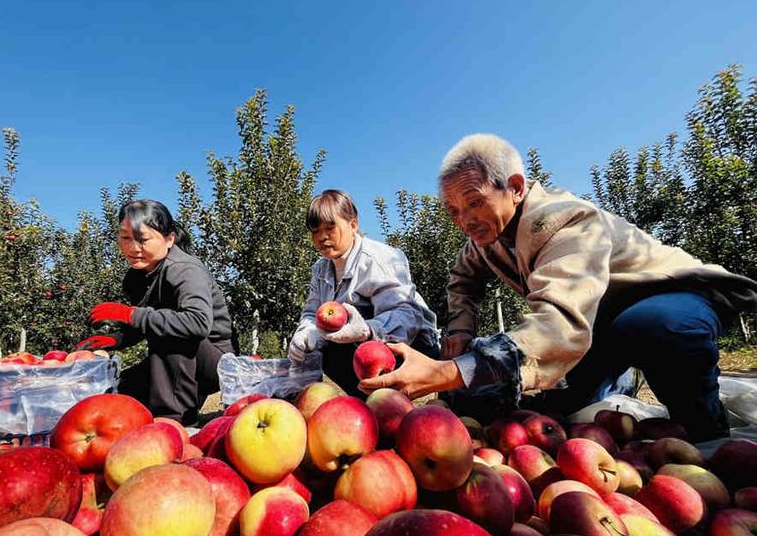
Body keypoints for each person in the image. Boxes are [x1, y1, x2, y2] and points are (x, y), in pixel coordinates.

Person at [359, 133, 757, 442]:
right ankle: (610, 379)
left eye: (474, 202)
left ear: (515, 187)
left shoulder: (567, 221)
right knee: (520, 403)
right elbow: (463, 279)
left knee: (654, 325)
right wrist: (462, 330)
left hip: (669, 299)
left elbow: (560, 324)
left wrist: (450, 370)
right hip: (599, 327)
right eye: (454, 211)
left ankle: (706, 430)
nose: (465, 219)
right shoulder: (486, 240)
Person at [76, 199, 235, 426]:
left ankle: (173, 421)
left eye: (143, 239)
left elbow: (197, 323)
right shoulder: (137, 278)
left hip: (214, 362)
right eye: (126, 238)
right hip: (173, 362)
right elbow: (149, 322)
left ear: (169, 239)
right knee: (118, 392)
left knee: (170, 330)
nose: (133, 248)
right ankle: (174, 407)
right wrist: (117, 338)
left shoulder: (184, 269)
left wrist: (131, 315)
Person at [288, 189, 439, 396]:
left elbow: (407, 314)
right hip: (362, 348)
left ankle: (383, 402)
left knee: (338, 348)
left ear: (353, 225)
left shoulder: (377, 259)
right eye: (315, 231)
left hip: (413, 344)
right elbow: (311, 311)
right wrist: (305, 330)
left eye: (330, 227)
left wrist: (368, 329)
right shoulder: (321, 269)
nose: (322, 237)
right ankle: (370, 404)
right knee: (324, 349)